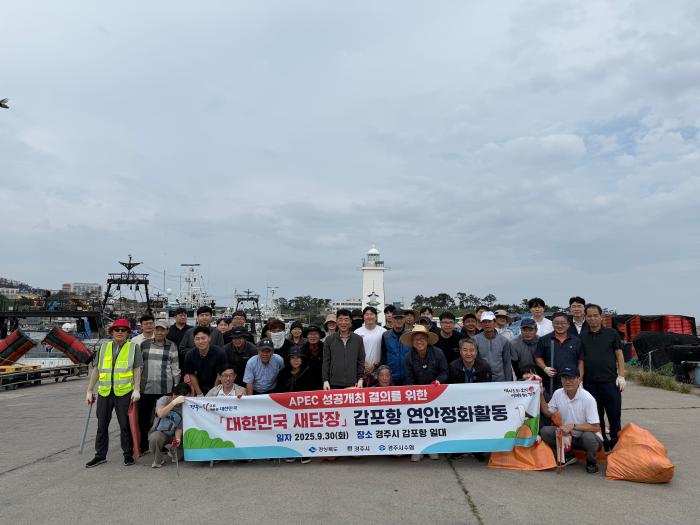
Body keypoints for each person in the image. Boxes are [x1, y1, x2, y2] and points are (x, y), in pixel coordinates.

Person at [84, 318, 143, 468]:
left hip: (124, 393)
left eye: (124, 330)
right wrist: (90, 390)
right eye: (117, 330)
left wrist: (137, 389)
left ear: (128, 333)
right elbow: (97, 369)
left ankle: (128, 455)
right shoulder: (103, 347)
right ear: (111, 332)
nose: (120, 332)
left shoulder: (133, 348)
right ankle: (100, 455)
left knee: (125, 425)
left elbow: (137, 369)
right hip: (105, 393)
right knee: (101, 426)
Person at [539, 367, 603, 473]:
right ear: (561, 380)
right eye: (564, 378)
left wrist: (573, 426)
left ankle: (591, 462)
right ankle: (568, 455)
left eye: (571, 378)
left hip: (588, 438)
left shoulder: (588, 398)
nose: (568, 381)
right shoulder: (558, 393)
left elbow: (596, 427)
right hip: (568, 436)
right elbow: (547, 412)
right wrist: (541, 395)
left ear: (579, 379)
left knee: (588, 437)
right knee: (545, 431)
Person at [580, 303, 626, 450]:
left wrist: (621, 375)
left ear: (601, 317)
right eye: (589, 316)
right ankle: (602, 441)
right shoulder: (582, 336)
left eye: (595, 315)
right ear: (585, 318)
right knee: (596, 415)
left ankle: (615, 441)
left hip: (610, 382)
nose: (592, 319)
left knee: (614, 413)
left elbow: (619, 354)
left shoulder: (611, 334)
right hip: (590, 383)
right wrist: (580, 380)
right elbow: (580, 359)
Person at [401, 325, 447, 462]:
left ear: (427, 340)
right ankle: (418, 449)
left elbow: (445, 371)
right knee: (417, 422)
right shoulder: (408, 357)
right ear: (412, 342)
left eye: (422, 338)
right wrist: (416, 393)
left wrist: (438, 381)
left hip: (436, 392)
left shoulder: (438, 353)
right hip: (417, 394)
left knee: (434, 422)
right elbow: (409, 378)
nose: (419, 342)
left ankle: (432, 448)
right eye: (416, 339)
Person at [138, 319, 181, 454]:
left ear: (167, 331)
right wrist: (136, 386)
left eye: (163, 329)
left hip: (165, 388)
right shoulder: (144, 345)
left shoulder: (172, 346)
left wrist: (176, 386)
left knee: (163, 418)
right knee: (144, 418)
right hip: (146, 387)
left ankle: (160, 444)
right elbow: (139, 367)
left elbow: (175, 368)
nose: (159, 332)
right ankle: (143, 444)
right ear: (154, 330)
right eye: (157, 329)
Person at [535, 312, 585, 396]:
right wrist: (545, 368)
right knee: (552, 402)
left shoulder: (576, 341)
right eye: (556, 323)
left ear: (568, 324)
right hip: (551, 381)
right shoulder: (544, 340)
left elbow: (580, 361)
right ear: (552, 324)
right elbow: (537, 357)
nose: (560, 326)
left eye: (563, 323)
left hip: (571, 380)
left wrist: (580, 379)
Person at [148, 382, 189, 468]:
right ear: (174, 394)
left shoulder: (184, 407)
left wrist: (178, 439)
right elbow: (160, 414)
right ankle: (158, 459)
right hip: (160, 432)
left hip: (174, 434)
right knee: (154, 438)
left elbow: (179, 427)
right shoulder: (163, 400)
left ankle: (173, 451)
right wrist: (174, 403)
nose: (183, 400)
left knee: (179, 456)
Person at [322, 309, 365, 390]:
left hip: (353, 382)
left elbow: (360, 361)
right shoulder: (329, 340)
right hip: (334, 382)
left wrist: (360, 378)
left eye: (346, 319)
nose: (343, 322)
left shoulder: (358, 339)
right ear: (337, 321)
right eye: (340, 319)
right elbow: (326, 361)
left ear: (350, 321)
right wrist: (325, 380)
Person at [183, 326, 227, 396]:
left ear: (209, 338)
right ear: (194, 340)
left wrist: (213, 392)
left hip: (217, 386)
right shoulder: (190, 355)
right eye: (197, 339)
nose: (200, 342)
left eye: (203, 338)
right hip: (199, 385)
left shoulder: (220, 353)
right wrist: (199, 393)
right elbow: (191, 374)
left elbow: (219, 374)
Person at [473, 312, 512, 382]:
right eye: (484, 322)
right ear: (481, 324)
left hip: (500, 379)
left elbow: (507, 363)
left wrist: (508, 381)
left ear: (494, 322)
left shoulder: (504, 341)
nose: (487, 324)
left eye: (489, 321)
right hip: (482, 379)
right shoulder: (475, 340)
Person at [354, 306, 386, 387]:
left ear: (376, 316)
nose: (369, 316)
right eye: (367, 314)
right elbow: (354, 351)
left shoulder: (383, 331)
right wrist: (363, 364)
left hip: (378, 370)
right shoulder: (357, 332)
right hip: (362, 370)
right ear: (363, 317)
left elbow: (385, 351)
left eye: (371, 314)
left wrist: (375, 365)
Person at [380, 308, 412, 386]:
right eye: (396, 318)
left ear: (404, 319)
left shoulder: (410, 334)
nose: (398, 321)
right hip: (391, 377)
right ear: (392, 319)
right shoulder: (386, 335)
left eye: (401, 318)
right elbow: (383, 356)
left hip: (408, 376)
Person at [301, 324, 325, 389]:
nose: (312, 336)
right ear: (307, 336)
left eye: (315, 334)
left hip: (323, 383)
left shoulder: (326, 348)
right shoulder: (302, 350)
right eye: (310, 334)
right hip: (306, 383)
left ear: (320, 336)